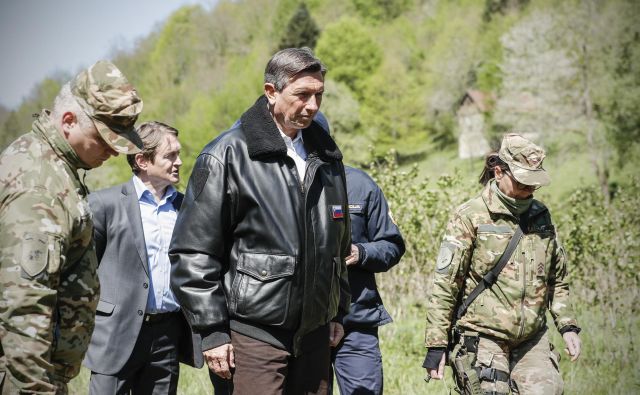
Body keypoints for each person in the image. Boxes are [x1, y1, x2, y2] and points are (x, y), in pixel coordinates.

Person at [169, 47, 351, 395]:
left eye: (319, 94)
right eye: (303, 95)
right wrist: (213, 331)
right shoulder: (227, 155)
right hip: (251, 338)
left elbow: (338, 244)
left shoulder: (327, 156)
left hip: (315, 338)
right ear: (271, 92)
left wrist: (337, 312)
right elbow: (193, 252)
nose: (313, 105)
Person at [0, 61, 143, 394]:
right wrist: (36, 389)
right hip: (21, 378)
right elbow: (24, 305)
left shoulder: (54, 167)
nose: (112, 150)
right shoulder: (40, 187)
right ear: (68, 121)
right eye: (105, 139)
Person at [423, 133, 582, 394]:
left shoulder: (541, 216)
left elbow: (556, 278)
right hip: (482, 335)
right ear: (499, 172)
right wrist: (436, 345)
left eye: (534, 184)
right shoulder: (470, 216)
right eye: (522, 183)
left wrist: (567, 326)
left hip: (531, 337)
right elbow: (445, 285)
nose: (529, 190)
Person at [83, 121, 203, 394]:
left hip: (167, 336)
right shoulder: (104, 205)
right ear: (142, 160)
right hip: (115, 335)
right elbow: (86, 273)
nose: (179, 162)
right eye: (170, 155)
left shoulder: (187, 207)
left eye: (178, 154)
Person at [331, 166, 405, 395]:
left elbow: (392, 246)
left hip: (356, 321)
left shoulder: (360, 184)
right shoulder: (284, 181)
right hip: (304, 327)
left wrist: (361, 253)